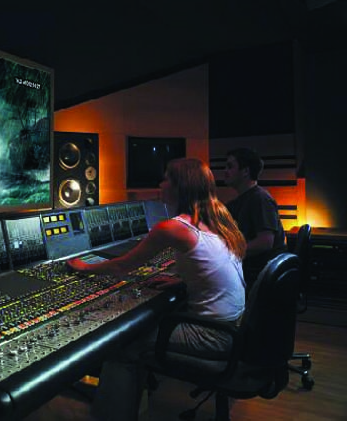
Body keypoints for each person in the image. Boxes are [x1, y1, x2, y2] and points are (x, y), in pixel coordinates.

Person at [67, 158, 246, 421]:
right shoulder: (219, 220)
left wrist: (84, 267)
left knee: (122, 345)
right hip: (235, 327)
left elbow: (123, 266)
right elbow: (213, 269)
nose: (160, 184)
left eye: (165, 179)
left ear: (179, 186)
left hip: (213, 336)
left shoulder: (173, 228)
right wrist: (183, 282)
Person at [224, 147, 285, 290]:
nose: (225, 171)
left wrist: (229, 254)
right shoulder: (238, 202)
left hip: (260, 274)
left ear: (245, 171)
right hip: (253, 269)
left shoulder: (260, 199)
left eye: (230, 166)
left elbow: (265, 242)